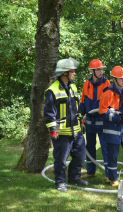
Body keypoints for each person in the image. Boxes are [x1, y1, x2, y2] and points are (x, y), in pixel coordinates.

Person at [44, 58, 88, 192]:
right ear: (64, 73)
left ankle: (74, 178)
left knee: (80, 156)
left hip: (76, 131)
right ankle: (60, 182)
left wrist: (81, 121)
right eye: (72, 71)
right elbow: (49, 113)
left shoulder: (73, 87)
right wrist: (53, 129)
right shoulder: (52, 90)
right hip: (61, 133)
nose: (74, 73)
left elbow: (76, 108)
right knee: (61, 160)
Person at [80, 59, 111, 178]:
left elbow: (110, 100)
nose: (101, 71)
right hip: (89, 121)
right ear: (93, 71)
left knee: (105, 147)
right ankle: (90, 171)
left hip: (102, 121)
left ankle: (109, 174)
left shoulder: (107, 83)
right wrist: (82, 112)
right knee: (90, 147)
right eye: (98, 69)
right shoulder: (87, 84)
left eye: (101, 69)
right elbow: (83, 99)